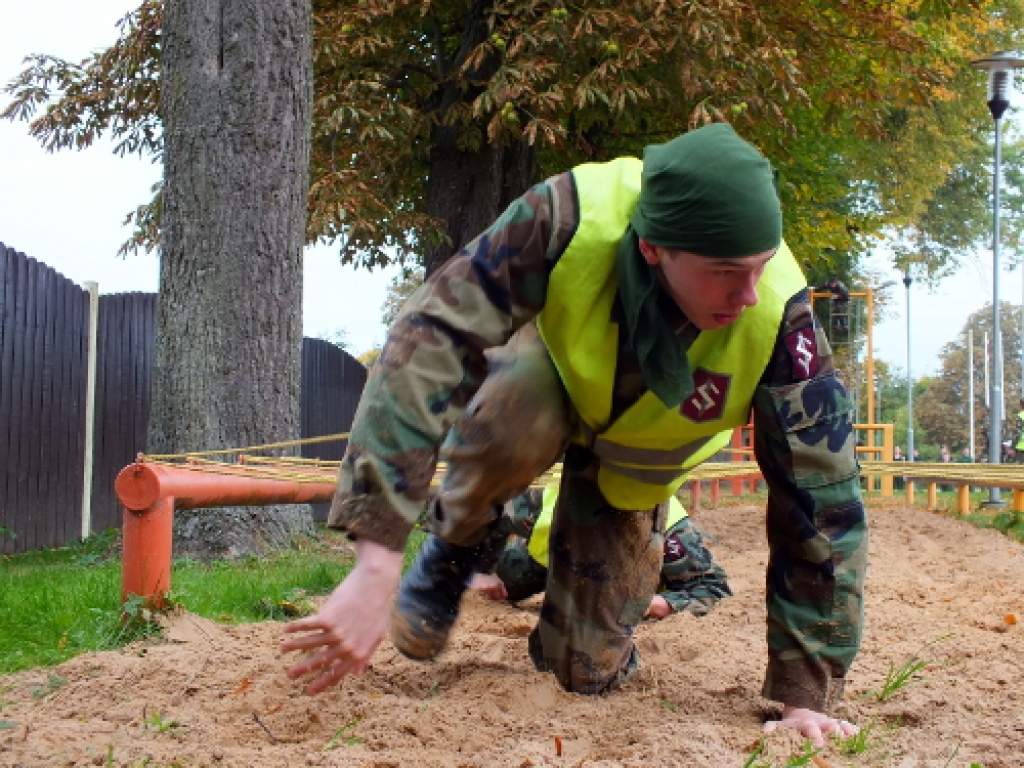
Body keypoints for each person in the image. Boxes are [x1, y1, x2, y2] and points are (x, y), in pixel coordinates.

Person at [280, 123, 866, 747]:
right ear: (653, 248)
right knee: (516, 409)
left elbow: (822, 500)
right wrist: (376, 558)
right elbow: (429, 335)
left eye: (759, 267)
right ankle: (460, 544)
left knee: (582, 674)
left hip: (634, 469)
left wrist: (806, 694)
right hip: (550, 384)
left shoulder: (780, 314)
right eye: (725, 271)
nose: (748, 295)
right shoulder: (568, 216)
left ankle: (594, 632)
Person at [470, 487, 731, 621]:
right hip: (550, 562)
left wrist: (660, 605)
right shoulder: (542, 505)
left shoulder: (672, 536)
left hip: (625, 595)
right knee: (503, 580)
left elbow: (713, 589)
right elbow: (474, 512)